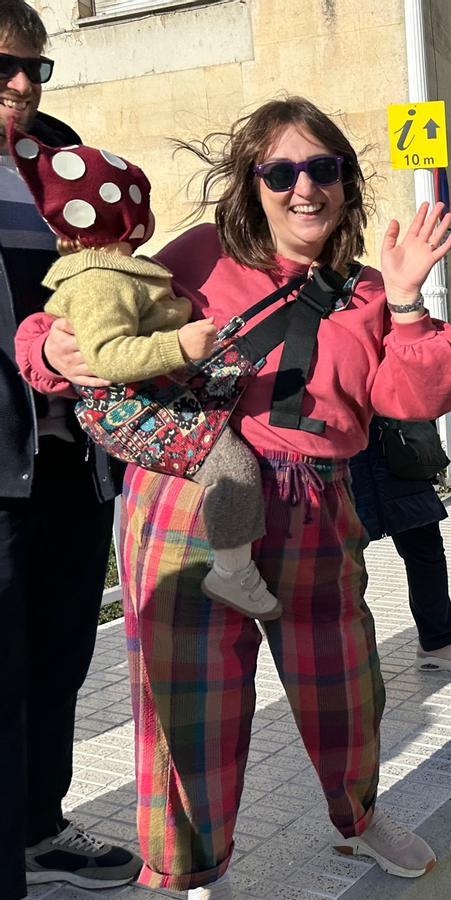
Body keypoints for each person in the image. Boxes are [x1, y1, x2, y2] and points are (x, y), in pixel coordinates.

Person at [22, 97, 451, 897]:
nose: (305, 188)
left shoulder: (367, 290)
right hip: (188, 497)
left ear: (345, 182)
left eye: (323, 169)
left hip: (317, 506)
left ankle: (358, 818)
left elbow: (417, 396)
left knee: (342, 679)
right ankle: (195, 871)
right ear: (250, 183)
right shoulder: (194, 255)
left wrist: (407, 304)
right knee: (189, 702)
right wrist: (48, 345)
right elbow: (87, 314)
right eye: (282, 171)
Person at [12, 130, 286, 621]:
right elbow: (106, 357)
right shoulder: (102, 281)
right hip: (131, 409)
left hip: (148, 399)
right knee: (234, 469)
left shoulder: (116, 272)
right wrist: (177, 345)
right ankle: (232, 572)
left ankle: (232, 566)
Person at [0, 3, 143, 895]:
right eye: (3, 64)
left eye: (33, 67)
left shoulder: (63, 154)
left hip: (75, 457)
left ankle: (39, 830)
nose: (20, 84)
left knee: (58, 661)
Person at [349, 425, 451, 674]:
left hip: (396, 441)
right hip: (339, 448)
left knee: (427, 550)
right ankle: (348, 654)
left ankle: (438, 642)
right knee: (344, 564)